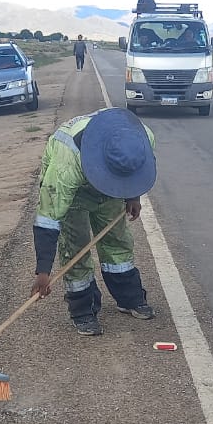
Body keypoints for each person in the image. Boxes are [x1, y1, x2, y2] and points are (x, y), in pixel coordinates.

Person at [31, 108, 157, 336]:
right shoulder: (66, 163)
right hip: (76, 193)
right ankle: (83, 310)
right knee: (75, 247)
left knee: (118, 242)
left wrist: (132, 196)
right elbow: (48, 219)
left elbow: (136, 170)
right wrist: (43, 271)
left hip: (110, 185)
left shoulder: (143, 138)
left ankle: (129, 298)